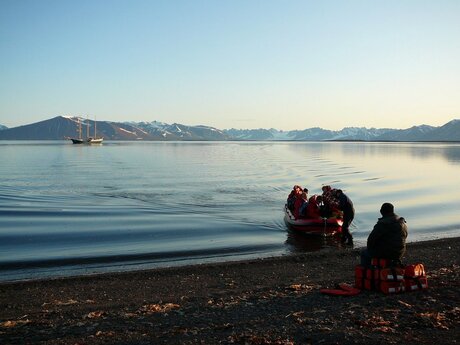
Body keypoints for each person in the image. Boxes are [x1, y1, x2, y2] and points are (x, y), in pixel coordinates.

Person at [361, 203, 408, 267]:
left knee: (364, 253)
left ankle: (368, 272)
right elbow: (405, 236)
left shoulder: (383, 224)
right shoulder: (401, 221)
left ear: (382, 211)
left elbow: (371, 239)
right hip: (400, 252)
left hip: (387, 253)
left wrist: (370, 249)